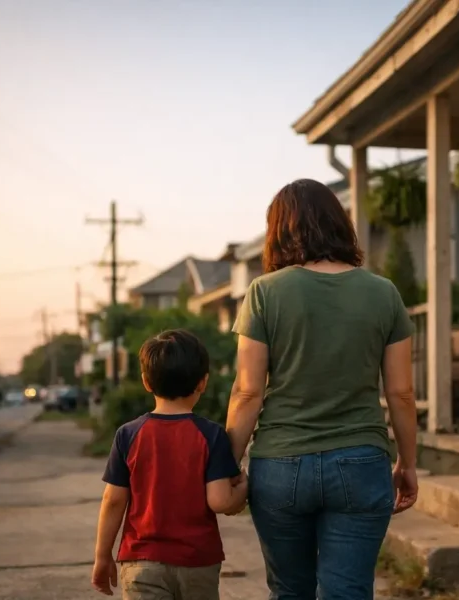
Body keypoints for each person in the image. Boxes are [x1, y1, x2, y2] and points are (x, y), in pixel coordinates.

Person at [226, 178, 420, 600]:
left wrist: (227, 464)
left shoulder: (264, 293)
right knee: (348, 591)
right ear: (339, 224)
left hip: (280, 465)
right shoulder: (383, 293)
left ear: (279, 230)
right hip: (362, 461)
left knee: (289, 591)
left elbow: (247, 392)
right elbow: (401, 394)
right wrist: (407, 461)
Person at [91, 329, 248, 600]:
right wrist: (244, 487)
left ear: (146, 383)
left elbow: (114, 500)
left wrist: (102, 556)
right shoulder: (211, 435)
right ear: (203, 383)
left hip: (142, 561)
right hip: (198, 563)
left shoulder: (128, 435)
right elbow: (221, 501)